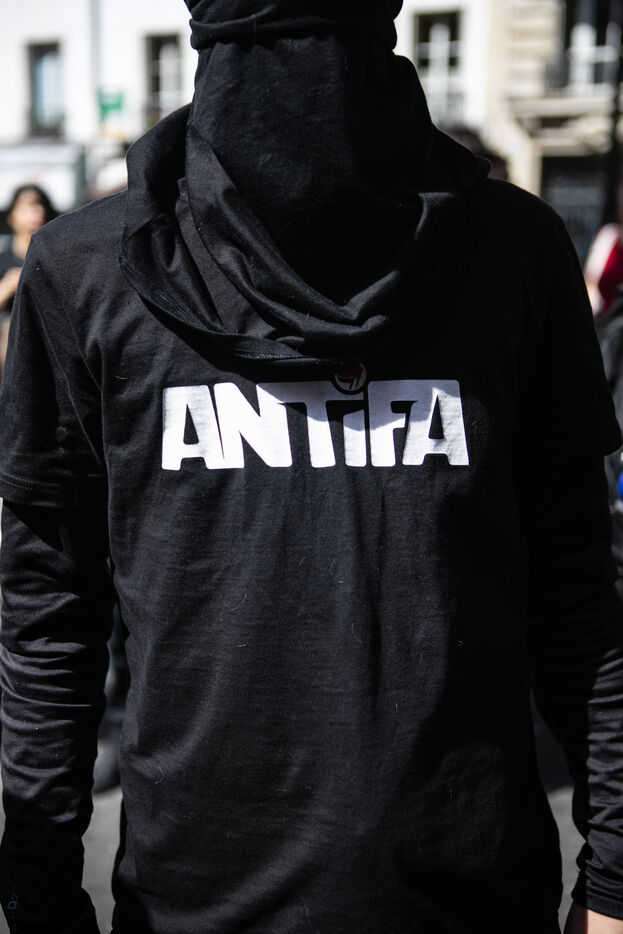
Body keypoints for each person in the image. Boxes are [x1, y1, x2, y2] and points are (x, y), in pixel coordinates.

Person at [0, 2, 623, 933]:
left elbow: (580, 590)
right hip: (193, 905)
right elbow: (49, 610)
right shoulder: (87, 271)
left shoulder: (511, 253)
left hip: (470, 895)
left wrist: (613, 878)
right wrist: (40, 892)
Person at [0, 184, 57, 374]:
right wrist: (6, 287)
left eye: (40, 205)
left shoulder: (56, 258)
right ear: (12, 216)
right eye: (27, 205)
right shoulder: (3, 260)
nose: (37, 212)